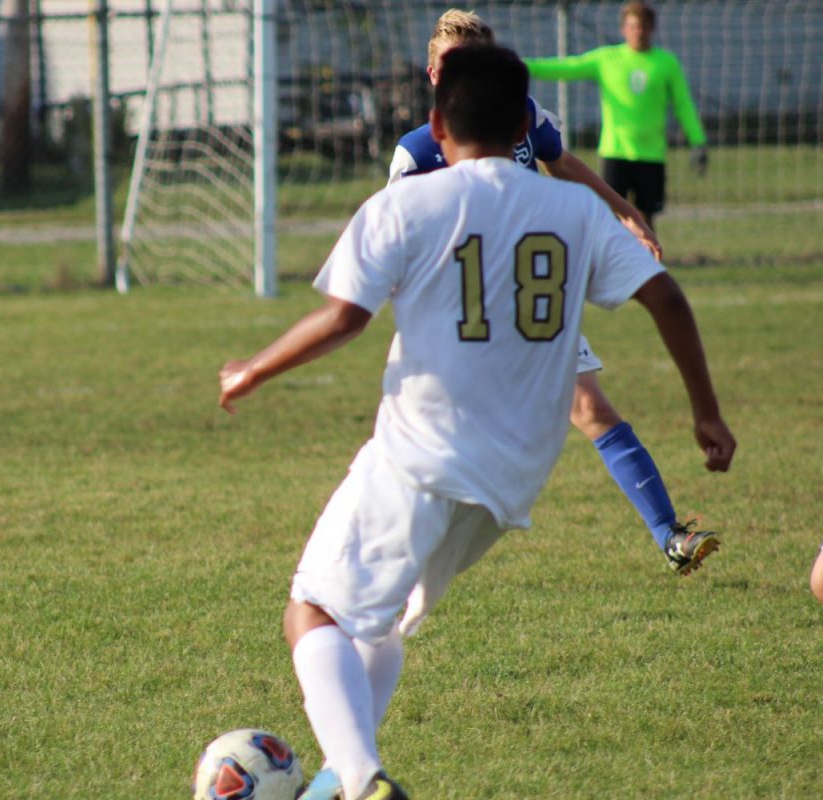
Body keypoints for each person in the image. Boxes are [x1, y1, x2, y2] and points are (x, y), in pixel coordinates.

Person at [218, 45, 735, 800]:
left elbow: (344, 318)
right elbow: (667, 298)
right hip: (515, 474)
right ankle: (338, 781)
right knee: (381, 622)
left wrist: (254, 368)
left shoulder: (408, 203)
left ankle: (360, 778)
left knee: (313, 610)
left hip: (421, 454)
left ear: (436, 124)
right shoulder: (573, 211)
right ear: (526, 121)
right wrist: (706, 412)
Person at [388, 9, 717, 583]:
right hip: (455, 325)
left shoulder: (522, 122)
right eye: (451, 66)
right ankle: (389, 555)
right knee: (427, 447)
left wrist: (627, 211)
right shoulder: (417, 154)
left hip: (531, 308)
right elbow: (393, 246)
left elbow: (561, 163)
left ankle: (670, 534)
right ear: (433, 75)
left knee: (592, 408)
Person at [524, 1, 709, 231]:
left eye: (643, 27)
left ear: (652, 29)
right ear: (623, 29)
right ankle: (608, 263)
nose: (638, 32)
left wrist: (698, 140)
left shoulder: (666, 63)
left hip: (651, 153)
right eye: (633, 26)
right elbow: (565, 67)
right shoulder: (607, 59)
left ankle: (648, 262)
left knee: (645, 218)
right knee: (609, 215)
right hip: (615, 150)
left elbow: (683, 105)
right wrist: (519, 65)